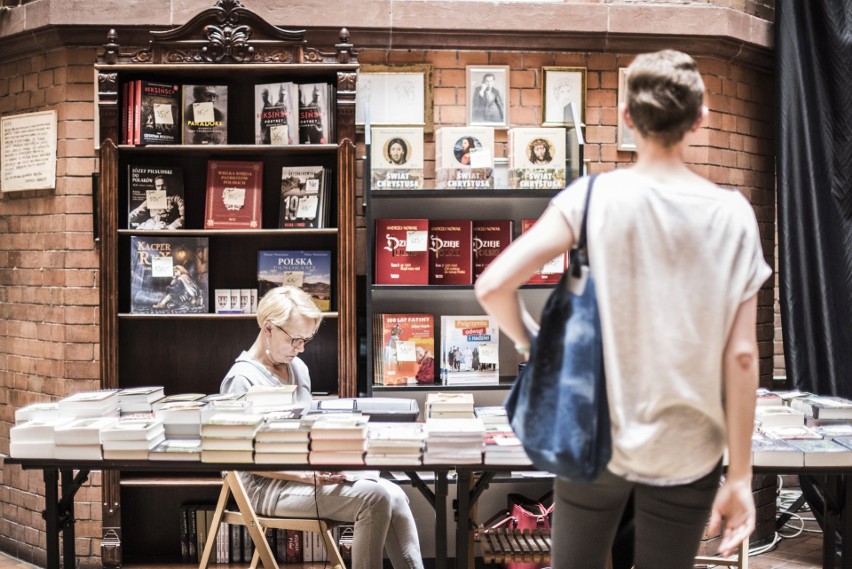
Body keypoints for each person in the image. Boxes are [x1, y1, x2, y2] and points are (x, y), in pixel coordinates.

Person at [474, 49, 771, 568]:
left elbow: (493, 285)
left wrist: (533, 345)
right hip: (690, 448)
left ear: (628, 118)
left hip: (594, 432)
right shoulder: (733, 215)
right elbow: (742, 356)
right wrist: (741, 476)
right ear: (701, 119)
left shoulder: (589, 199)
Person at [220, 286, 424, 569]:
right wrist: (306, 475)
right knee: (374, 498)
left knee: (396, 495)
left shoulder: (298, 368)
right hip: (266, 487)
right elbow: (236, 457)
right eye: (295, 339)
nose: (301, 348)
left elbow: (307, 430)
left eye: (306, 339)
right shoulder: (241, 380)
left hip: (308, 473)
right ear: (268, 328)